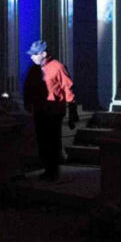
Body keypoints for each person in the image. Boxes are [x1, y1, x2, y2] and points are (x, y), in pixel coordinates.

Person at [24, 40, 77, 181]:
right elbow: (28, 88)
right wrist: (28, 104)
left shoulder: (58, 67)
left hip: (54, 112)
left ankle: (53, 170)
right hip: (40, 111)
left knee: (52, 142)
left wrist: (72, 111)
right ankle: (48, 169)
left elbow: (68, 88)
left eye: (35, 54)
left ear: (44, 54)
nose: (32, 57)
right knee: (43, 141)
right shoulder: (34, 70)